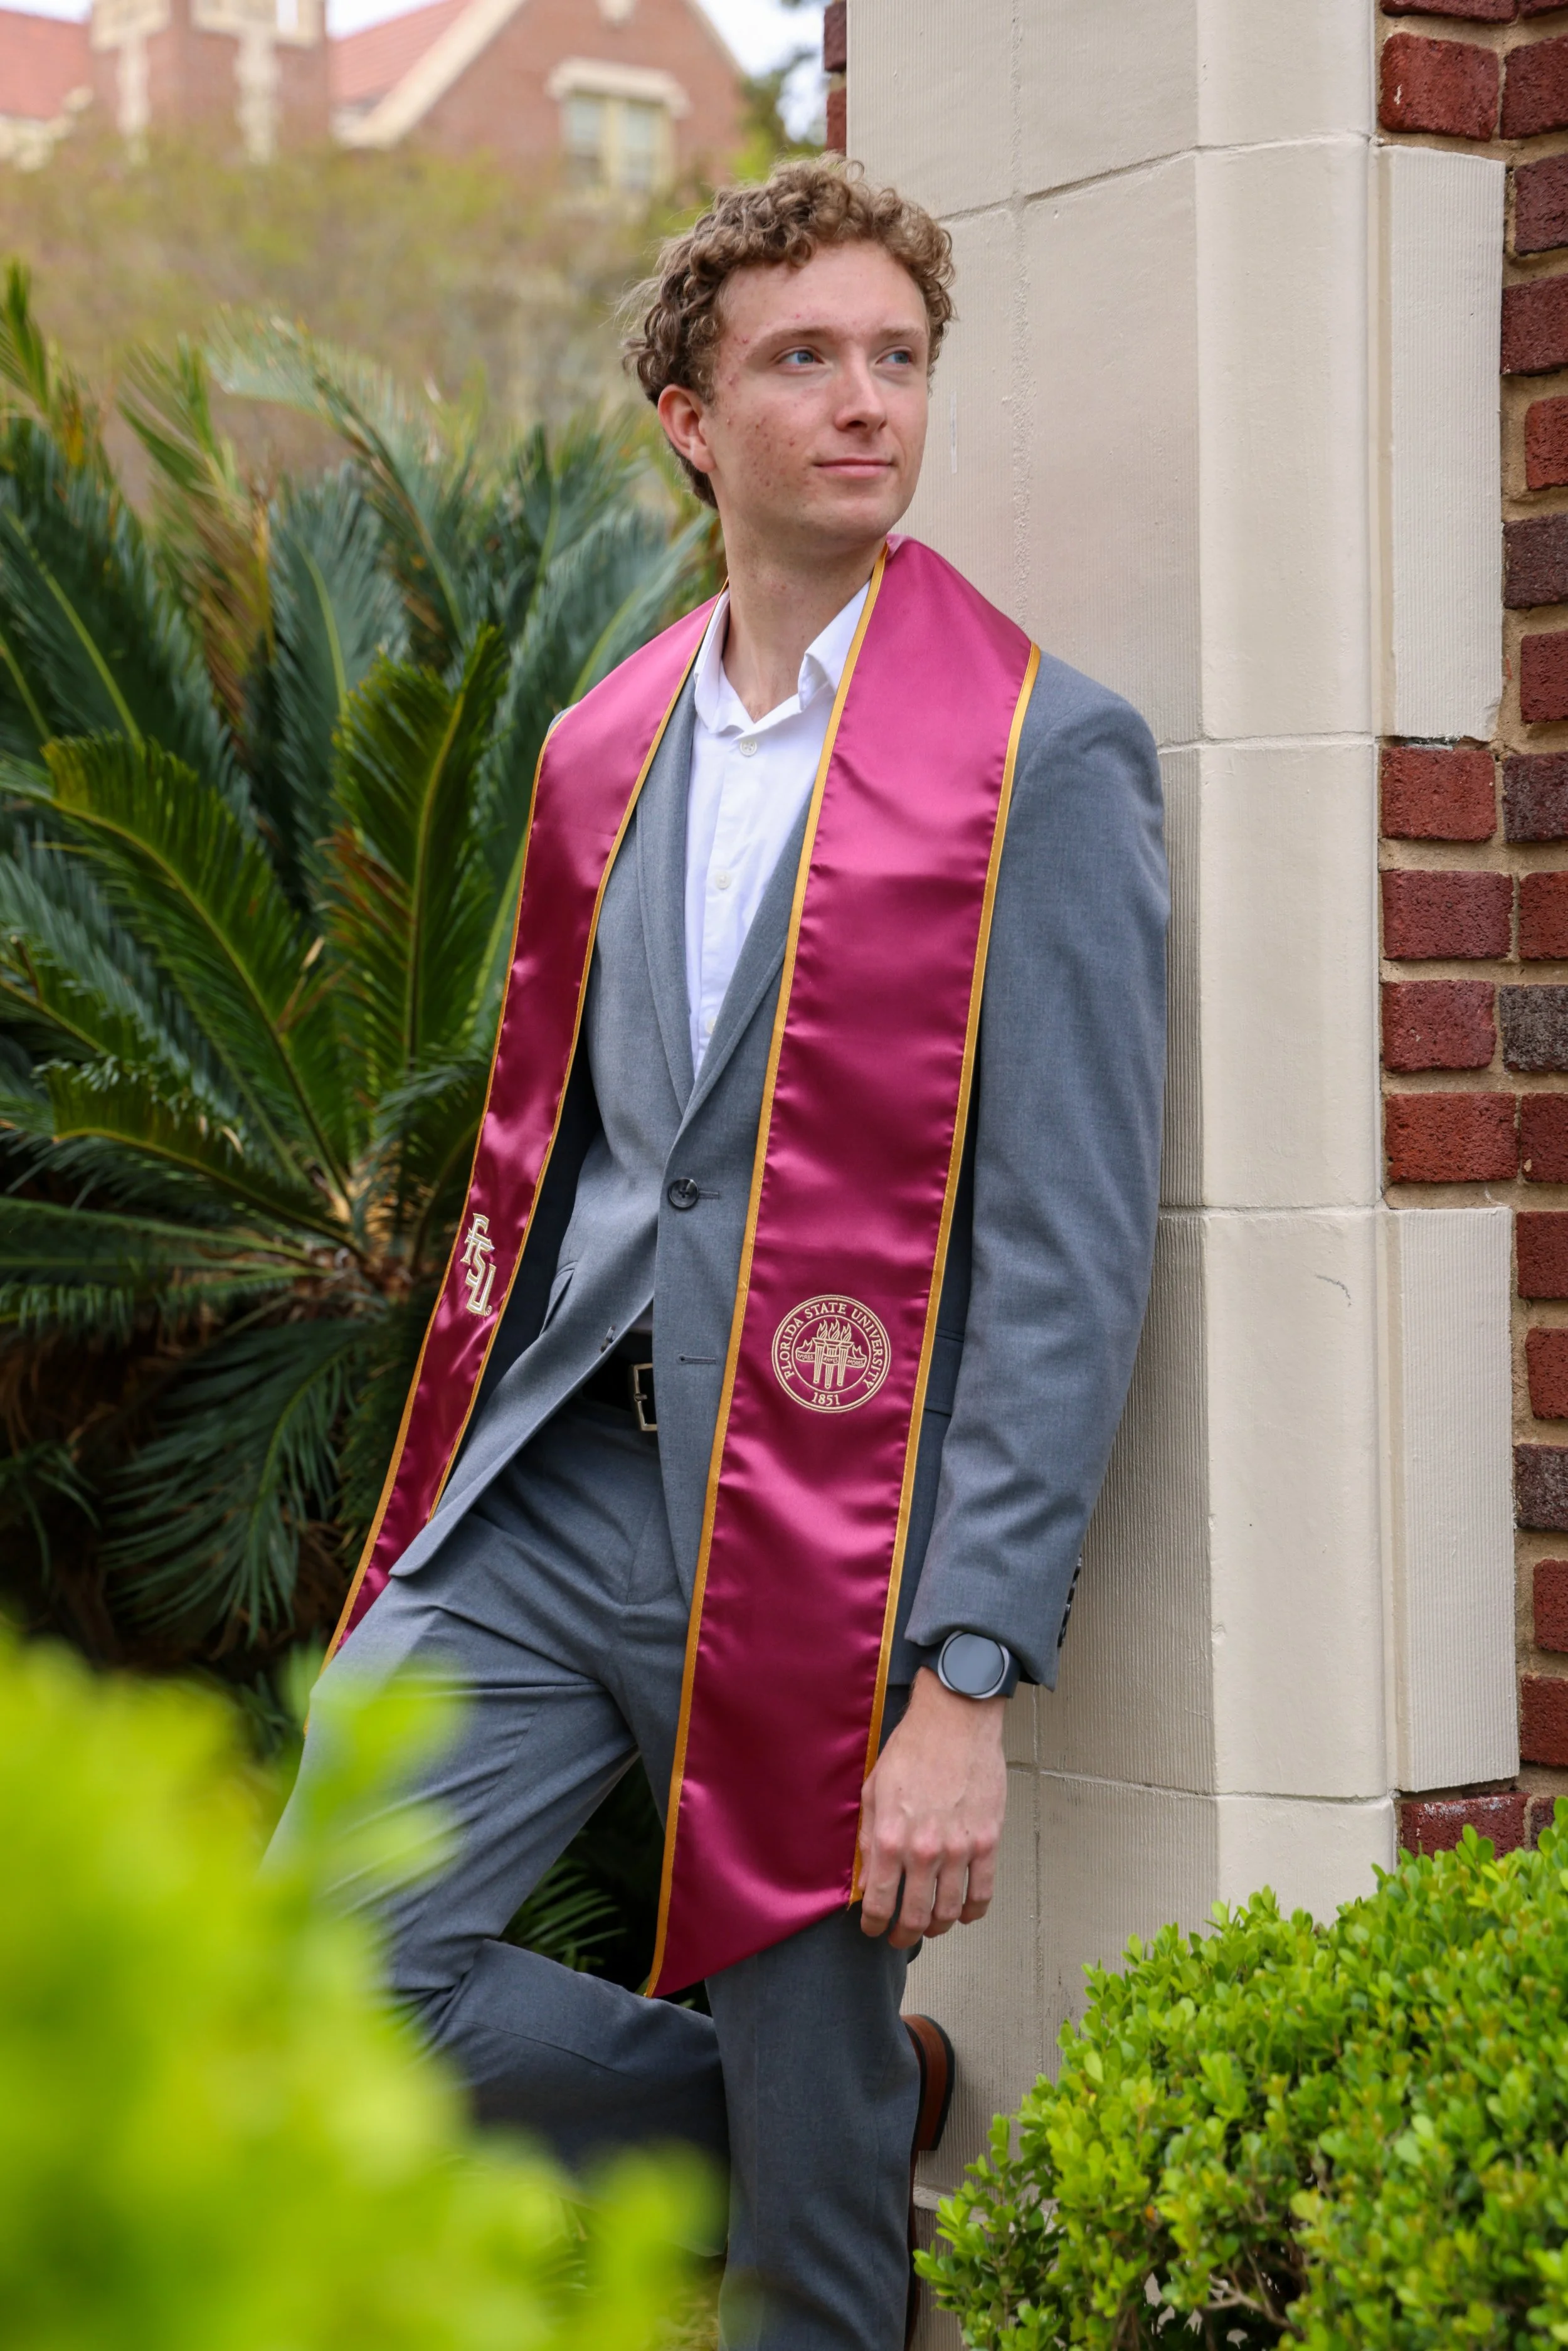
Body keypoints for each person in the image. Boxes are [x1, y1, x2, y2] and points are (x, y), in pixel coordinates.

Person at [269, 159, 1167, 2350]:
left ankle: (820, 2139)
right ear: (689, 418)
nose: (866, 401)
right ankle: (814, 2112)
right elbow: (562, 1155)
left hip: (820, 1542)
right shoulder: (603, 744)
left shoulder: (1041, 758)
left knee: (812, 2284)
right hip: (559, 1486)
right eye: (804, 358)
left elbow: (1066, 1248)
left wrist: (964, 1678)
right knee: (305, 1980)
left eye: (898, 357)